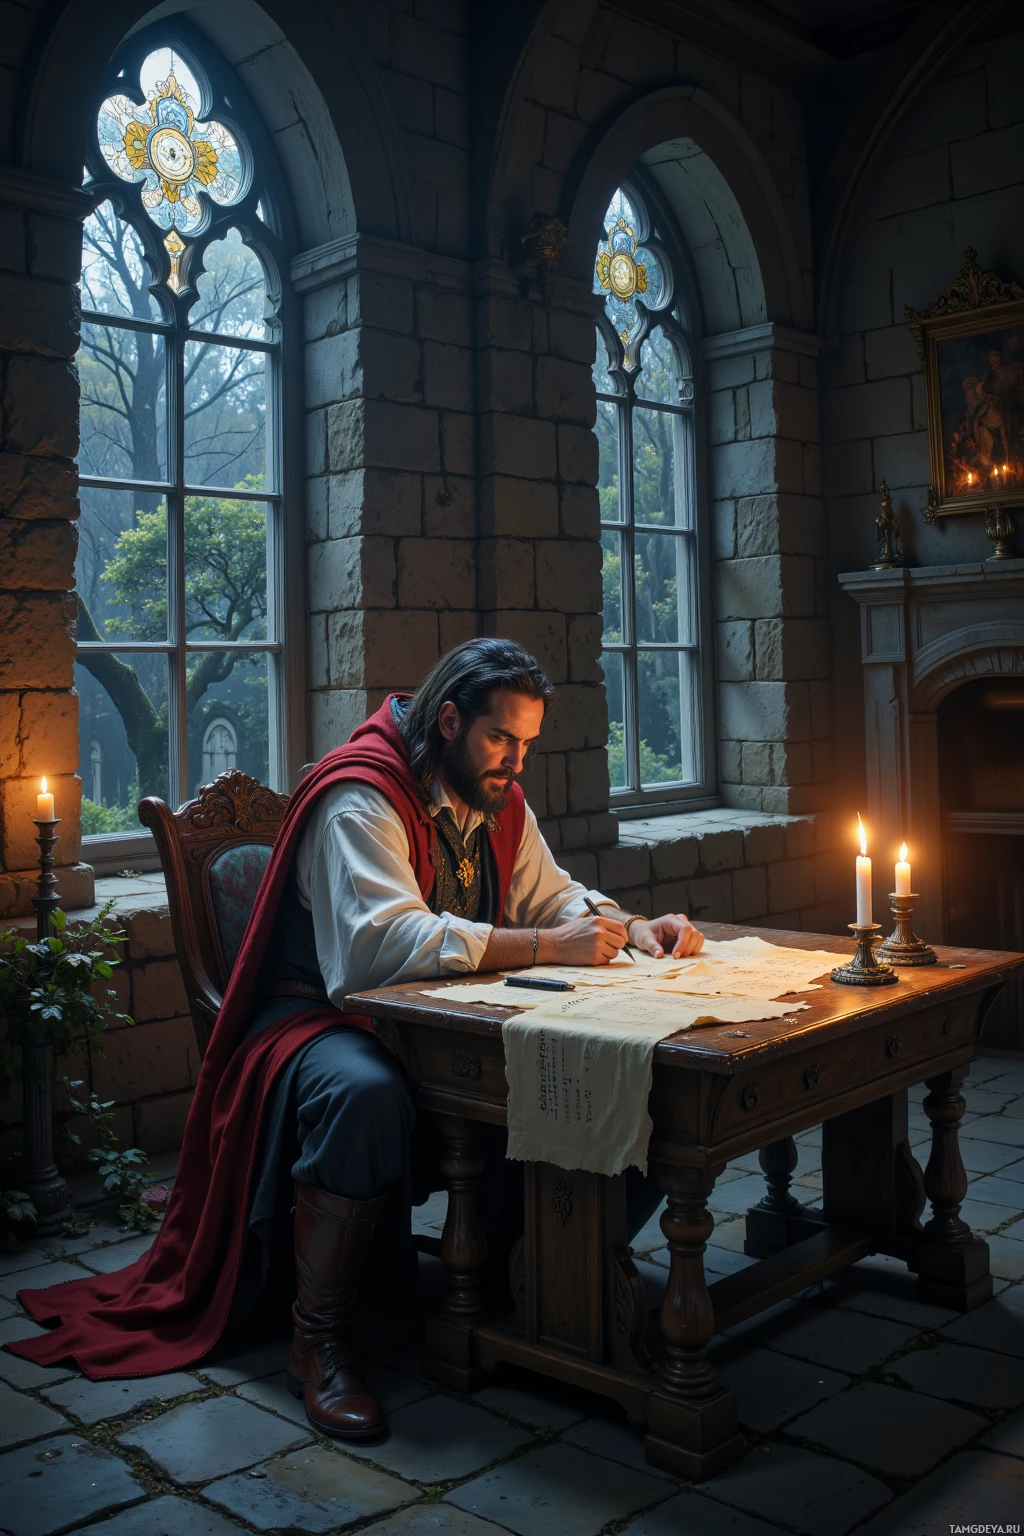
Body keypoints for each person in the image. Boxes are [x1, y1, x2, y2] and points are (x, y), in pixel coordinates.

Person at [9, 638, 704, 1443]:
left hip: (429, 1017)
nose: (517, 763)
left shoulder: (494, 791)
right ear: (449, 720)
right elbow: (376, 951)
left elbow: (550, 896)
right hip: (313, 1019)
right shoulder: (361, 797)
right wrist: (550, 948)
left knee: (623, 1061)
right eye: (502, 740)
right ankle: (320, 1342)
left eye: (527, 745)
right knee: (367, 1092)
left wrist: (627, 925)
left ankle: (532, 1269)